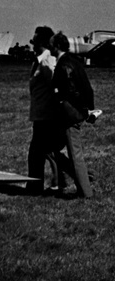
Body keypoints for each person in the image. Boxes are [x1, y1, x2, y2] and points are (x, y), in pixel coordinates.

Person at [50, 32, 95, 198]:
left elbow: (68, 92)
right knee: (52, 149)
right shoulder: (75, 62)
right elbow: (87, 89)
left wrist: (59, 98)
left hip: (69, 116)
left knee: (74, 155)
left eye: (51, 45)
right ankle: (84, 178)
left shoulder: (63, 65)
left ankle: (86, 192)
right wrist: (88, 109)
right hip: (75, 114)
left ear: (56, 46)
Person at [25, 26, 66, 195]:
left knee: (39, 152)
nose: (32, 44)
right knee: (43, 152)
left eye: (34, 41)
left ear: (42, 42)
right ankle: (49, 183)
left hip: (46, 115)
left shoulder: (46, 59)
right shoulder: (39, 59)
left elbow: (54, 84)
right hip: (40, 114)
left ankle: (43, 185)